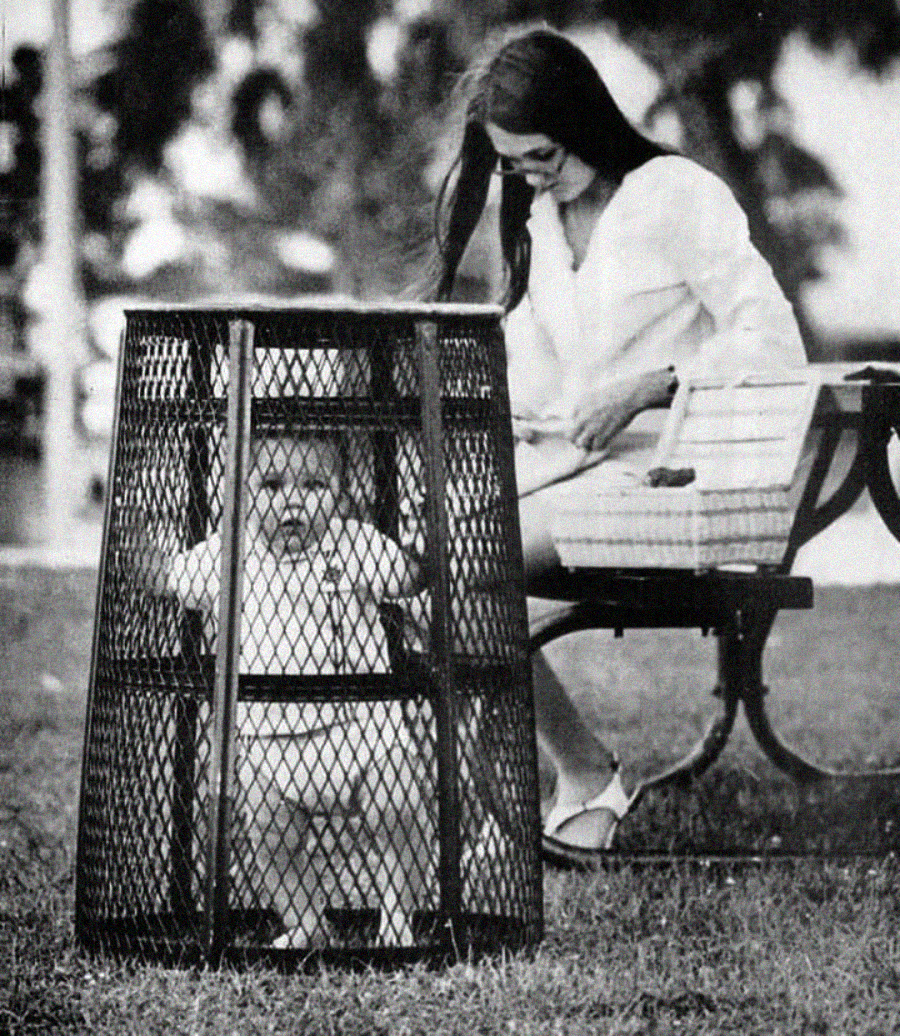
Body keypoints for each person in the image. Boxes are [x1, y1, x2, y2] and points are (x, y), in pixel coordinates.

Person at [432, 27, 808, 862]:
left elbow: (775, 343)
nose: (531, 174)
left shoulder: (673, 193)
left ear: (584, 118)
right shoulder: (537, 219)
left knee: (462, 568)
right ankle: (524, 787)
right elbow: (543, 380)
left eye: (542, 154)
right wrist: (510, 409)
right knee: (418, 563)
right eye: (514, 163)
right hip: (572, 476)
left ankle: (583, 775)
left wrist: (652, 383)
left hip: (673, 484)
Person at [149, 428, 426, 945]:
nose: (293, 501)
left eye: (315, 486)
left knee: (401, 803)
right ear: (242, 491)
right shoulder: (228, 551)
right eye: (272, 485)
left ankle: (396, 920)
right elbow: (170, 578)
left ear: (342, 494)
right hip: (267, 744)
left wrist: (420, 553)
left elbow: (407, 577)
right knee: (266, 833)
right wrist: (136, 549)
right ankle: (305, 923)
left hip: (362, 733)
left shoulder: (357, 542)